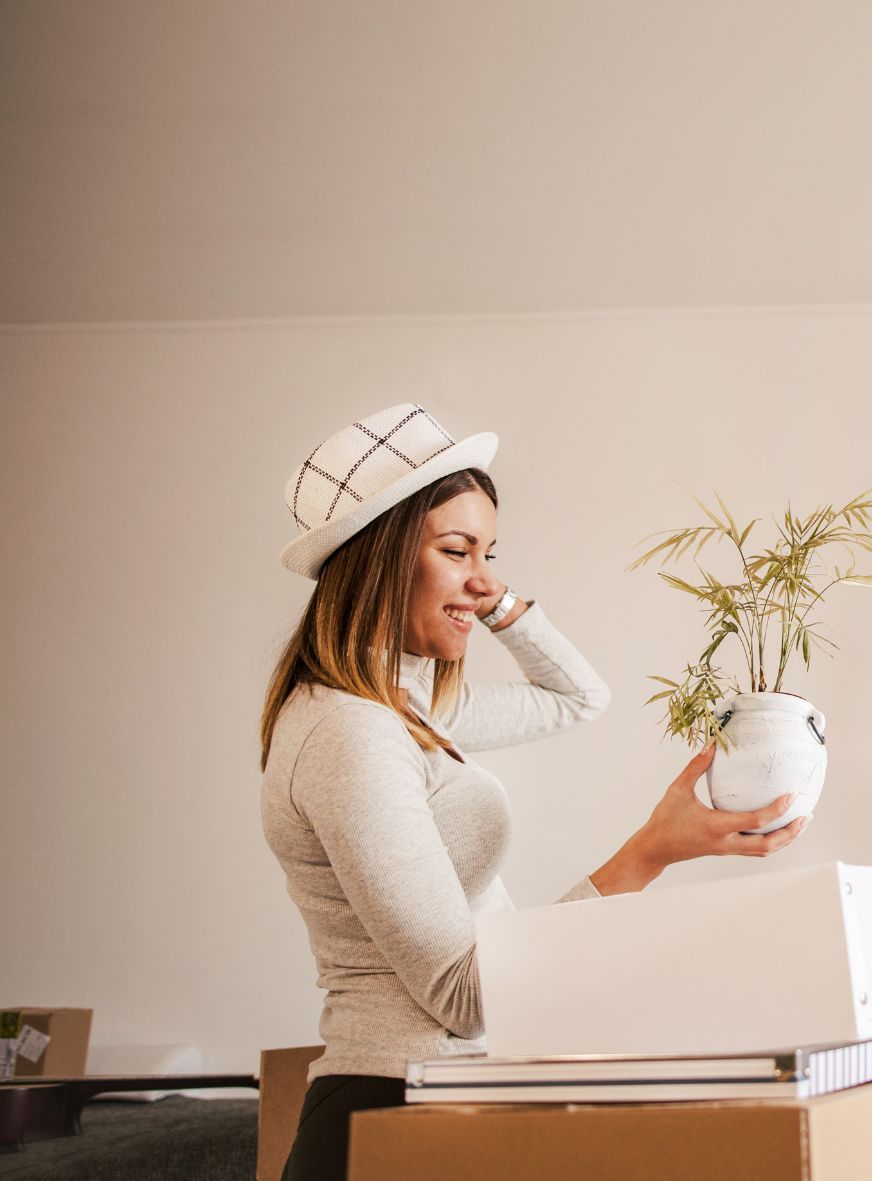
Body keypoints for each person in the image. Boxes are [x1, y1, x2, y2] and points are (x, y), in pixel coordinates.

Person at [260, 403, 808, 1180]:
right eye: (457, 550)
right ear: (377, 557)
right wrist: (650, 852)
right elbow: (465, 994)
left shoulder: (407, 712)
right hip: (392, 1113)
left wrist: (496, 604)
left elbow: (578, 695)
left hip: (440, 1102)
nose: (484, 579)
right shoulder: (352, 735)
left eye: (490, 553)